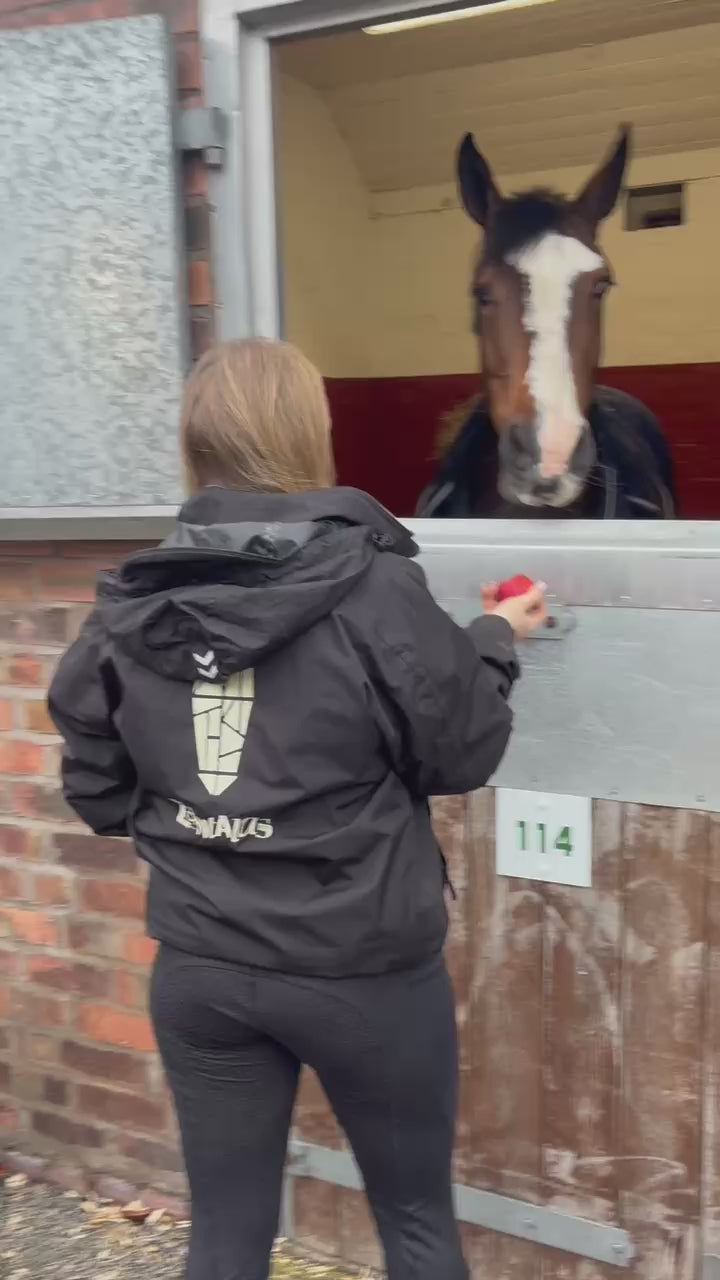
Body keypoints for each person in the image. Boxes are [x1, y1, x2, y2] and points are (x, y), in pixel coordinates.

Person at [48, 339, 547, 1280]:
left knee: (226, 1237)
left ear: (195, 448)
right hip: (362, 972)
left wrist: (198, 817)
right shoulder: (373, 588)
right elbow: (462, 748)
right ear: (309, 437)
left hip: (202, 970)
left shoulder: (134, 603)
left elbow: (96, 788)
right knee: (415, 1227)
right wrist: (494, 637)